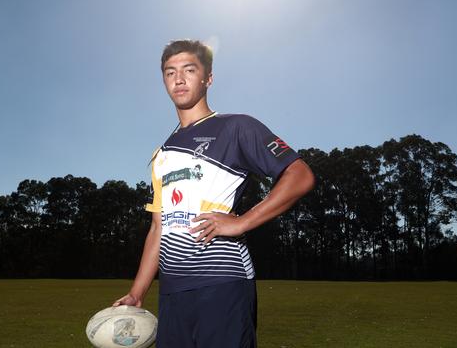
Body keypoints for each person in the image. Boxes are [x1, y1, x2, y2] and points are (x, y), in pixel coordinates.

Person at [113, 39, 315, 347]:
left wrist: (241, 222)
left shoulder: (237, 127)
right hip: (172, 293)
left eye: (189, 70)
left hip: (224, 283)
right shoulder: (161, 155)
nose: (178, 79)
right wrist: (137, 293)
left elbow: (299, 175)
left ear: (208, 78)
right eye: (170, 72)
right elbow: (158, 228)